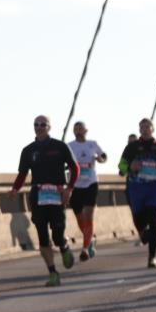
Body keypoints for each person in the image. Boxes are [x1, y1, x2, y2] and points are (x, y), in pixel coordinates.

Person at [9, 115, 79, 287]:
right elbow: (23, 174)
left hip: (57, 194)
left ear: (49, 127)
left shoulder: (59, 146)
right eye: (36, 124)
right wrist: (15, 189)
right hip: (38, 195)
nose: (39, 127)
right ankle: (53, 272)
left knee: (57, 233)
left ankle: (63, 247)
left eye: (42, 124)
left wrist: (69, 188)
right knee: (42, 237)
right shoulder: (28, 150)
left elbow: (75, 167)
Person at [119, 118, 156, 268]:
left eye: (147, 126)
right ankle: (143, 233)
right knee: (139, 219)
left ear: (152, 128)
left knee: (154, 221)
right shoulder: (132, 147)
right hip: (136, 188)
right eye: (142, 127)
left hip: (155, 188)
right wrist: (130, 167)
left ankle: (152, 257)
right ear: (139, 129)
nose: (144, 129)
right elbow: (121, 168)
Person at [67, 121, 107, 261]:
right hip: (75, 185)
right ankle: (90, 239)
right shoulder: (69, 146)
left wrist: (100, 158)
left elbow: (104, 156)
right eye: (76, 128)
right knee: (80, 218)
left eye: (80, 128)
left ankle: (84, 249)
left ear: (86, 130)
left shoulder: (92, 144)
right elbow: (63, 161)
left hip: (91, 183)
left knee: (88, 215)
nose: (78, 130)